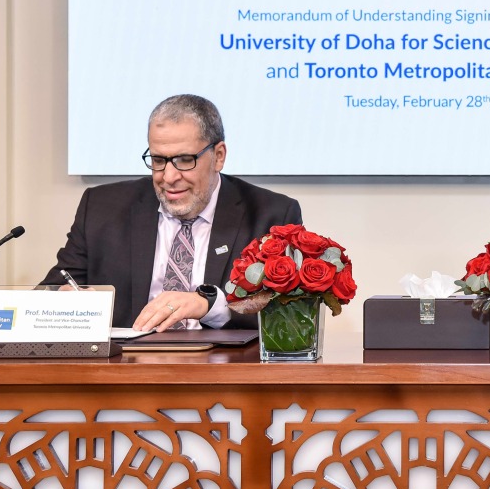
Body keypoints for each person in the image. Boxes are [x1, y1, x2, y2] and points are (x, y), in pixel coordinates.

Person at [41, 94, 301, 332]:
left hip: (223, 373)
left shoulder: (271, 215)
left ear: (219, 156)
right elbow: (48, 291)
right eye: (158, 160)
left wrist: (211, 305)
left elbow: (290, 314)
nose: (169, 177)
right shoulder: (101, 208)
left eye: (185, 160)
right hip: (125, 370)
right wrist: (63, 301)